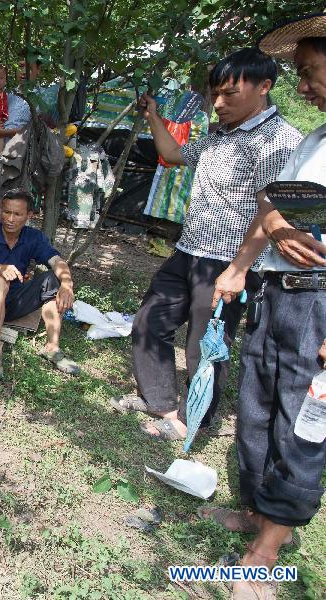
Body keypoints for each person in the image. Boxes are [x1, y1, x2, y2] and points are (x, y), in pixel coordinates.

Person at [111, 47, 302, 441]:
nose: (218, 103)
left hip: (227, 261)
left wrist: (237, 271)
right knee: (150, 321)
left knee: (205, 344)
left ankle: (189, 421)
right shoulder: (221, 134)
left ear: (264, 87)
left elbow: (273, 212)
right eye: (215, 93)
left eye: (229, 94)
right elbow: (171, 154)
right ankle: (159, 400)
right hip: (190, 248)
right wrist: (153, 114)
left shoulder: (279, 141)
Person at [203, 14, 326, 600]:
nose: (301, 87)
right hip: (278, 298)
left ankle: (265, 554)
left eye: (309, 73)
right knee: (256, 408)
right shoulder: (315, 140)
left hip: (322, 309)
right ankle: (255, 512)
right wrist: (239, 266)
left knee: (303, 426)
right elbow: (271, 206)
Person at [0, 190, 79, 380]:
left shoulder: (34, 237)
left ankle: (52, 348)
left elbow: (57, 261)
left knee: (53, 279)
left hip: (12, 303)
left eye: (17, 214)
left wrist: (67, 284)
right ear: (1, 210)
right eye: (6, 212)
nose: (10, 219)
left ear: (29, 215)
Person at [0, 64, 33, 223]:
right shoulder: (5, 94)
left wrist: (3, 133)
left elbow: (36, 130)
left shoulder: (41, 96)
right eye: (21, 66)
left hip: (17, 160)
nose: (23, 71)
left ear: (39, 69)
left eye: (29, 67)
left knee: (15, 208)